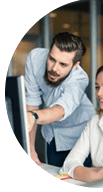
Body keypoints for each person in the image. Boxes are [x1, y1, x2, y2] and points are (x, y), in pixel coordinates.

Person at [25, 32, 96, 167]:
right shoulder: (35, 58)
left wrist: (33, 116)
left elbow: (61, 110)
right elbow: (32, 101)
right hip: (53, 136)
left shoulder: (79, 79)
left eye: (63, 64)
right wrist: (31, 151)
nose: (54, 69)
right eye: (52, 59)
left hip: (81, 136)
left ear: (75, 65)